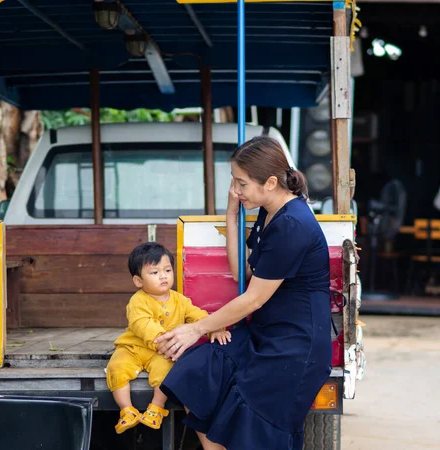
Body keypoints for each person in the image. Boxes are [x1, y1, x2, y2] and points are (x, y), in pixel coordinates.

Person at [154, 136, 332, 450]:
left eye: (241, 183)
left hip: (294, 347)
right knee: (195, 373)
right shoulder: (270, 212)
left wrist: (195, 327)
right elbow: (244, 275)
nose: (235, 190)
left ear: (271, 182)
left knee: (253, 430)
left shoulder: (293, 224)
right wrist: (233, 215)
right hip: (264, 335)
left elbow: (254, 298)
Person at [105, 242, 231, 434]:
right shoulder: (138, 301)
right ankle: (126, 409)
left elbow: (197, 315)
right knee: (117, 367)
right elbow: (142, 324)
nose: (163, 276)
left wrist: (214, 327)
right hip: (133, 348)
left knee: (167, 373)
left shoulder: (179, 300)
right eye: (154, 273)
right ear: (139, 281)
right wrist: (164, 340)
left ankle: (156, 408)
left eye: (167, 270)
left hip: (161, 353)